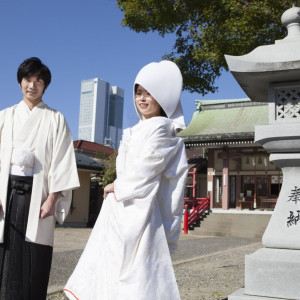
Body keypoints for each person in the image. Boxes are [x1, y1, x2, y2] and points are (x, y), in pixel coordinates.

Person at [64, 60, 188, 300]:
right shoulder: (139, 128)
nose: (142, 99)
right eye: (138, 92)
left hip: (140, 208)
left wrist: (116, 186)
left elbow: (147, 168)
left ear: (163, 97)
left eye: (149, 93)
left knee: (137, 270)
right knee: (113, 265)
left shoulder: (161, 127)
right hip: (123, 204)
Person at [0, 57, 80, 299]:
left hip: (39, 196)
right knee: (4, 250)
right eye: (27, 79)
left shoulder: (56, 119)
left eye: (39, 81)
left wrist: (53, 198)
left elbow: (62, 161)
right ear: (20, 82)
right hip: (6, 193)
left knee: (34, 254)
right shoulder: (4, 116)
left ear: (45, 86)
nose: (32, 85)